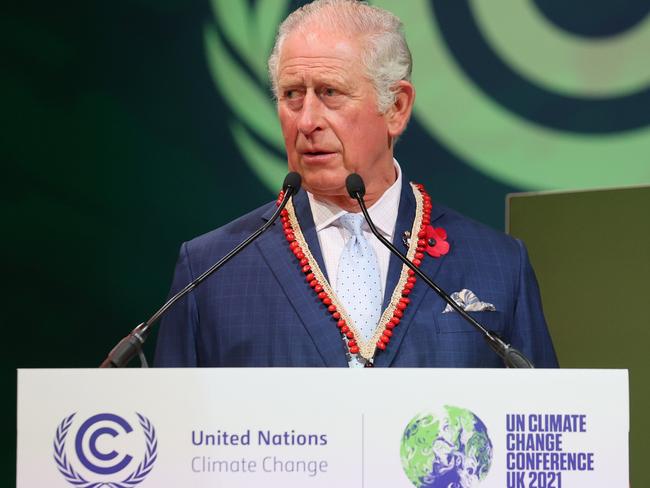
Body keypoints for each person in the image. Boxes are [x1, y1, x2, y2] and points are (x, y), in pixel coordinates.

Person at [154, 0, 558, 368]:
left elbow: (544, 430)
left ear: (396, 108)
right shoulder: (210, 270)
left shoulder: (500, 265)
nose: (307, 120)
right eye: (292, 94)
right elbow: (172, 430)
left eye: (330, 93)